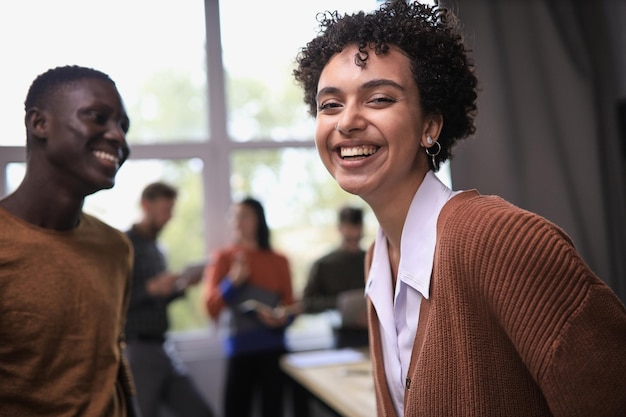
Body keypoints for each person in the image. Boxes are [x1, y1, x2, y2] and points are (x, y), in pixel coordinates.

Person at [293, 1, 626, 416]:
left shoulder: (500, 240)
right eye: (330, 104)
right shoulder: (377, 258)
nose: (347, 122)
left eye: (378, 98)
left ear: (430, 127)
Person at [0, 65, 137, 416]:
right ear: (39, 124)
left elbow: (113, 362)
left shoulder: (116, 248)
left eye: (123, 126)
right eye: (98, 118)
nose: (119, 138)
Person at [125, 181, 214, 417]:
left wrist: (182, 286)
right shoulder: (124, 245)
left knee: (200, 412)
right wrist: (150, 289)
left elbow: (158, 301)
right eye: (165, 210)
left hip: (163, 347)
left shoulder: (158, 248)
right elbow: (113, 301)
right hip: (138, 350)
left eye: (171, 211)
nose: (169, 217)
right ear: (146, 206)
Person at [202, 197, 295, 417]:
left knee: (274, 411)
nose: (237, 221)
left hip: (274, 351)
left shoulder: (279, 260)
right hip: (241, 352)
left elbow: (290, 306)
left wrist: (282, 318)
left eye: (244, 216)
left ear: (258, 220)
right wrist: (233, 282)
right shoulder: (223, 258)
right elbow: (211, 308)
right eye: (233, 216)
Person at [301, 205, 366, 313]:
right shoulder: (322, 265)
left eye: (358, 227)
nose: (355, 233)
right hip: (331, 326)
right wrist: (340, 302)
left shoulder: (373, 262)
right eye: (350, 228)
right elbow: (307, 303)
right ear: (340, 228)